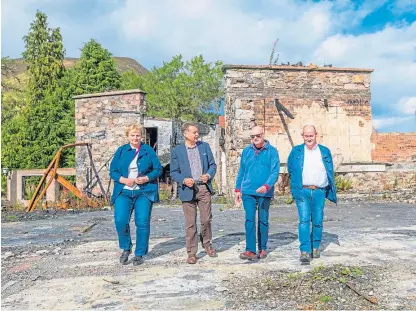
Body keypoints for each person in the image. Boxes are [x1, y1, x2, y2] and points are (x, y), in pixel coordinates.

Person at [109, 124, 162, 266]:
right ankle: (126, 248)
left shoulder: (148, 150)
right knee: (120, 220)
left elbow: (158, 169)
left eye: (138, 135)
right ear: (128, 136)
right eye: (132, 135)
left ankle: (139, 253)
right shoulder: (121, 151)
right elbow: (113, 171)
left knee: (142, 221)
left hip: (143, 191)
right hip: (124, 191)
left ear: (141, 136)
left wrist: (146, 178)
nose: (135, 137)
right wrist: (124, 180)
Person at [287, 125, 337, 265]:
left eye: (311, 135)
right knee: (304, 220)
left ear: (316, 135)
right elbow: (290, 169)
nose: (309, 138)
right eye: (306, 135)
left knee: (318, 221)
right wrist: (295, 187)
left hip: (319, 191)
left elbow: (329, 170)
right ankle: (304, 251)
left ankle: (315, 247)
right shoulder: (296, 151)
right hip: (302, 190)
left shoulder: (324, 151)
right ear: (303, 136)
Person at [170, 122, 217, 264]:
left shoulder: (205, 147)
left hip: (203, 188)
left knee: (206, 219)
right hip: (187, 189)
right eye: (194, 132)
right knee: (190, 223)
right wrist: (184, 180)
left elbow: (212, 165)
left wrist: (208, 175)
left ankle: (207, 243)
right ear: (186, 134)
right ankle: (191, 252)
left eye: (197, 132)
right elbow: (173, 173)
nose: (197, 135)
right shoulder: (177, 151)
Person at [234, 126, 280, 260]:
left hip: (265, 192)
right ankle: (250, 250)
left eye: (257, 136)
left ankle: (263, 248)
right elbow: (242, 171)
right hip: (248, 190)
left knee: (263, 220)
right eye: (252, 137)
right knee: (249, 220)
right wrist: (238, 189)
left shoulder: (272, 152)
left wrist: (267, 186)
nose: (255, 139)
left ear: (263, 135)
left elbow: (274, 172)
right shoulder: (247, 151)